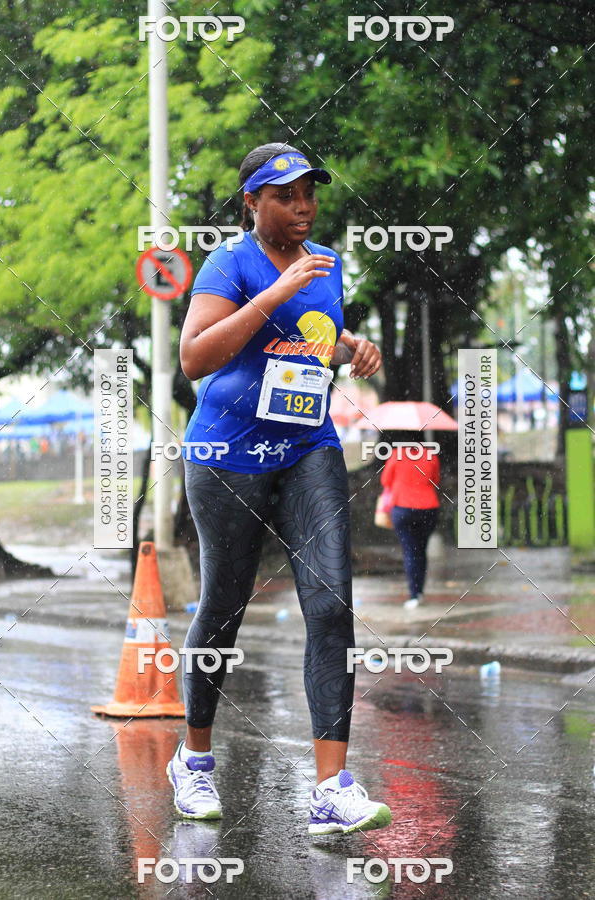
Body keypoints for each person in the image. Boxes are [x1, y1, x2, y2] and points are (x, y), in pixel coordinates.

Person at [167, 142, 392, 836]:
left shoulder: (327, 263)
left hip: (306, 447)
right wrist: (273, 292)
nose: (303, 206)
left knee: (331, 604)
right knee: (224, 605)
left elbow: (311, 337)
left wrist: (349, 346)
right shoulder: (228, 264)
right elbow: (194, 357)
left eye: (309, 194)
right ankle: (194, 760)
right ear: (252, 203)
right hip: (228, 452)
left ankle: (331, 788)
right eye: (285, 195)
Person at [380, 436, 440, 610]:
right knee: (421, 550)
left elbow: (385, 481)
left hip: (402, 508)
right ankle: (419, 591)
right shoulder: (431, 455)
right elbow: (435, 480)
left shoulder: (396, 454)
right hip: (428, 508)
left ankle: (414, 594)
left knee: (410, 551)